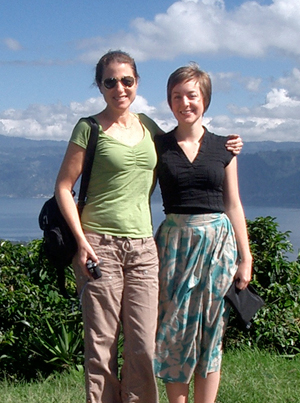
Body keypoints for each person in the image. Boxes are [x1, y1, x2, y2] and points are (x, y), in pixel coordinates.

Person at [54, 50, 243, 403]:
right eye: (110, 81)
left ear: (137, 82)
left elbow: (187, 145)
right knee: (102, 345)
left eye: (126, 80)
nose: (119, 88)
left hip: (143, 248)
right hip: (99, 245)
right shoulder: (89, 128)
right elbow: (63, 187)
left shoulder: (149, 129)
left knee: (143, 344)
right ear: (100, 85)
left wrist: (228, 145)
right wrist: (81, 242)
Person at [153, 63, 252, 403]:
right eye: (176, 96)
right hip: (173, 247)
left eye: (191, 95)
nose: (185, 103)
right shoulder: (158, 145)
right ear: (169, 102)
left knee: (212, 331)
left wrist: (246, 257)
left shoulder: (225, 147)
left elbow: (233, 204)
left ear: (205, 99)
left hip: (217, 247)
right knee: (173, 331)